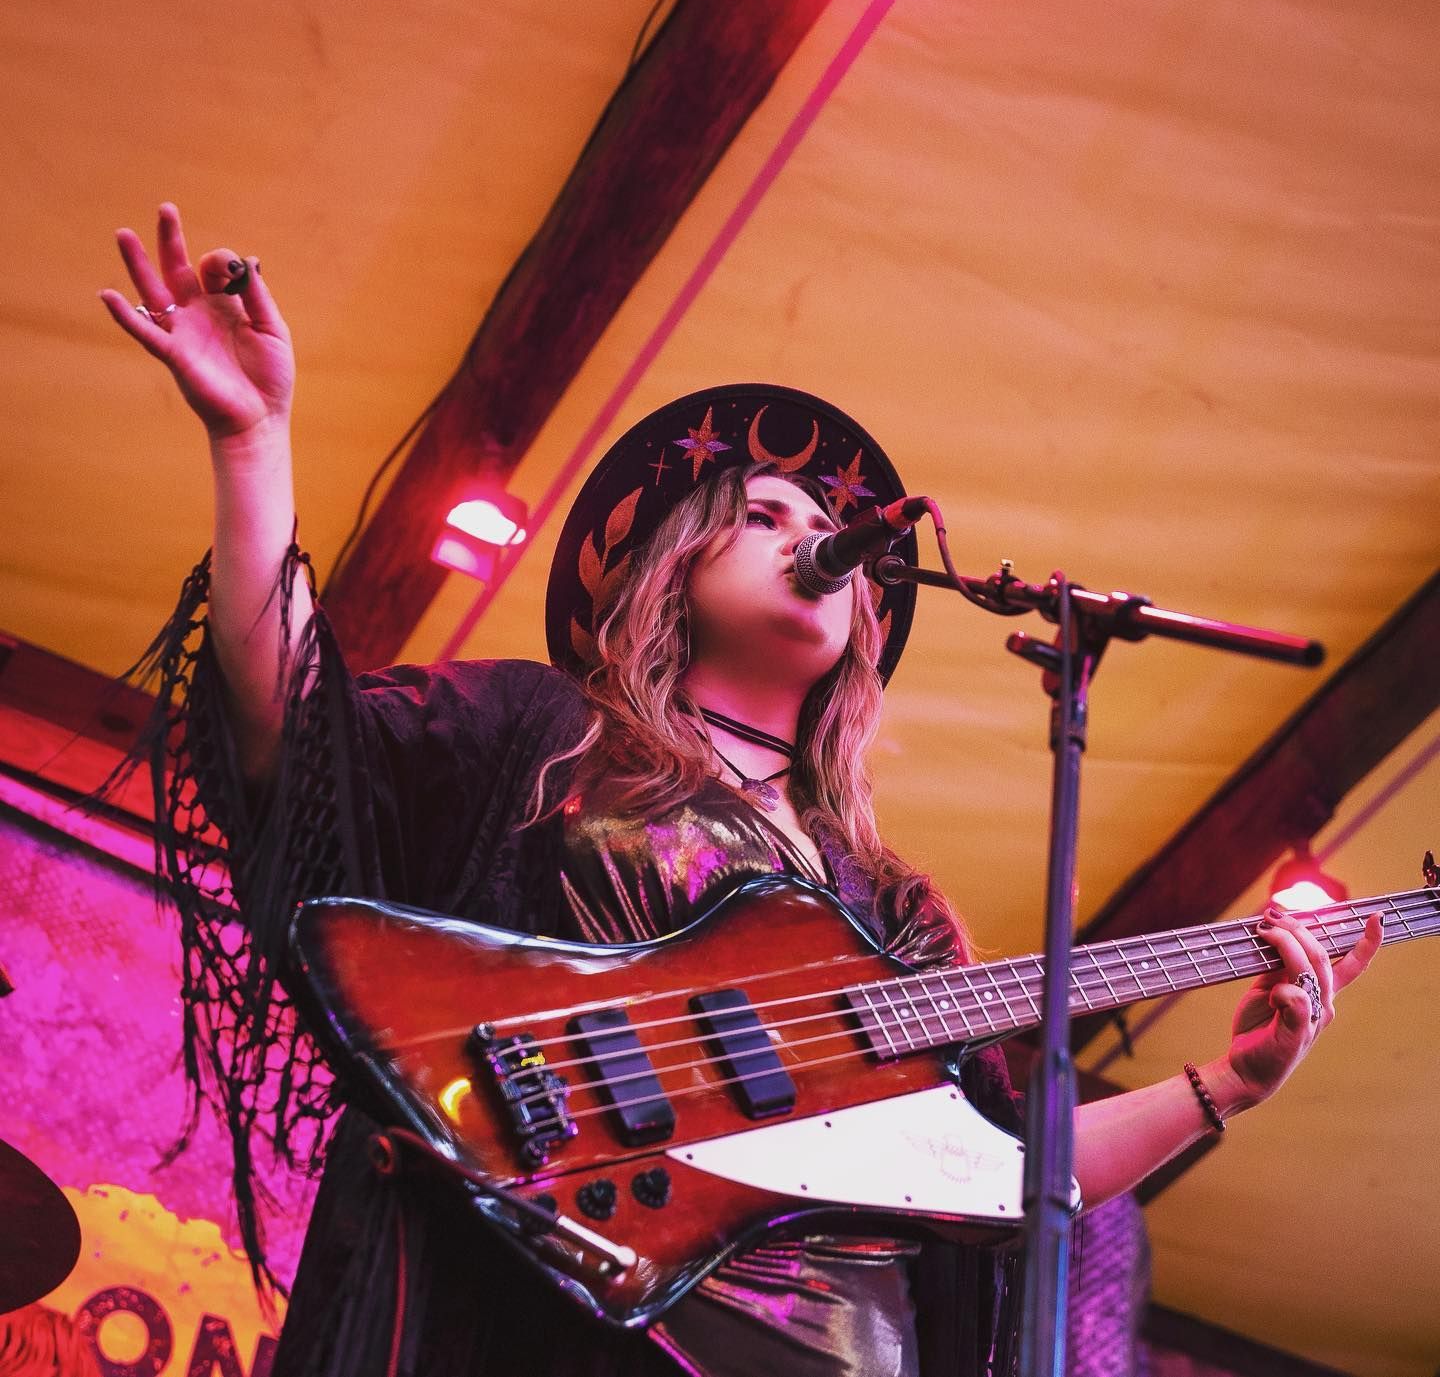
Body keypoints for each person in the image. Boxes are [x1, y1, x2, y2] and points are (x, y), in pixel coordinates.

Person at [98, 206, 1382, 1377]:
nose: (809, 532)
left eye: (822, 526)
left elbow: (1010, 1174)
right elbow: (298, 737)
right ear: (671, 565)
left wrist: (1228, 1085)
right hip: (552, 1319)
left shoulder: (889, 906)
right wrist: (254, 442)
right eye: (764, 511)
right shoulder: (543, 732)